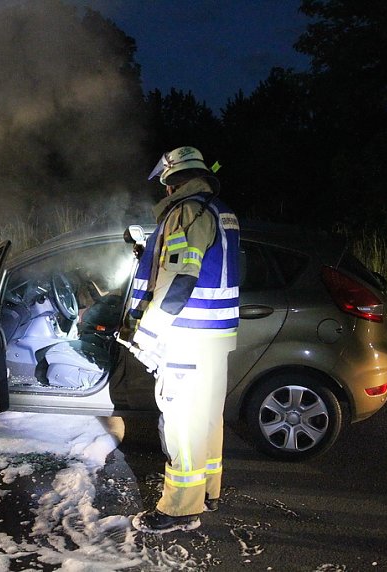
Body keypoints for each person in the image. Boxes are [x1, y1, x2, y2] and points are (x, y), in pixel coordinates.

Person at [126, 146, 240, 534]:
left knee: (182, 425)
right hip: (215, 337)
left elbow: (179, 277)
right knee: (206, 419)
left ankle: (179, 510)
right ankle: (208, 493)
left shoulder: (185, 212)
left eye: (165, 187)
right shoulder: (221, 211)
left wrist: (147, 333)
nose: (165, 194)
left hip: (187, 335)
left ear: (171, 181)